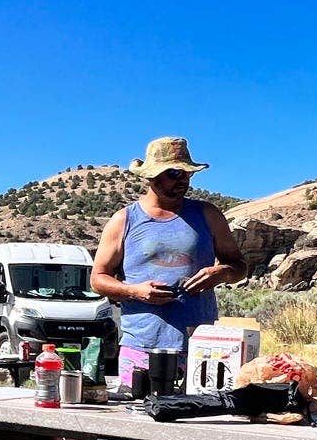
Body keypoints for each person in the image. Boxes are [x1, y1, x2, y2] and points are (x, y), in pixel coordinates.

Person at [92, 136, 247, 355]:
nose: (183, 179)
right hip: (139, 347)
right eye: (174, 173)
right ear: (152, 175)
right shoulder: (124, 220)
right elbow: (98, 279)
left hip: (200, 347)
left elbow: (239, 266)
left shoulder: (208, 214)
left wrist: (223, 273)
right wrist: (134, 291)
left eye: (188, 173)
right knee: (133, 391)